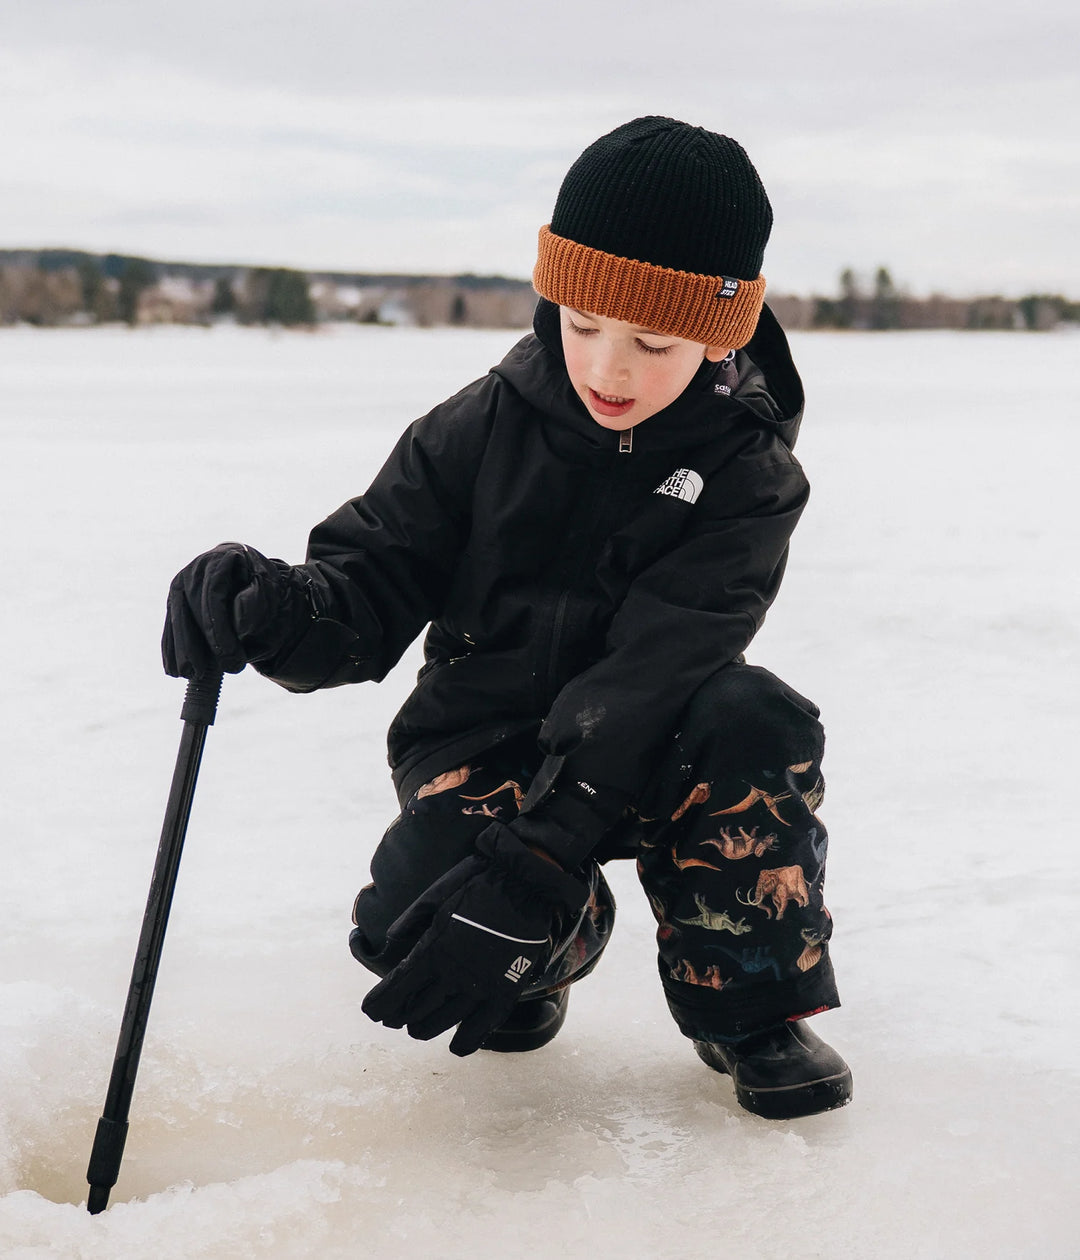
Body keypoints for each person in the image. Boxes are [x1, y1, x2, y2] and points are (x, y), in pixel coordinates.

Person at [162, 116, 852, 1119]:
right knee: (403, 924)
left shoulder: (748, 476)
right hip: (482, 740)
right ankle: (558, 942)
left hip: (656, 744)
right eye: (581, 325)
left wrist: (540, 855)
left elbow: (660, 663)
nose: (608, 368)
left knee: (752, 718)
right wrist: (271, 608)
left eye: (651, 341)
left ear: (718, 331)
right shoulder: (477, 427)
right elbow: (366, 586)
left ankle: (747, 1005)